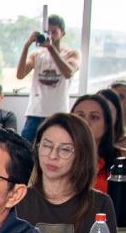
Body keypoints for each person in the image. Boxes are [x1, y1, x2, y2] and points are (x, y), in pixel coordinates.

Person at [15, 113, 117, 233]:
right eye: (47, 145)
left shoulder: (100, 203)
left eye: (65, 149)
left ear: (81, 155)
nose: (52, 155)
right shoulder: (17, 198)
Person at [72, 93, 126, 222]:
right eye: (79, 116)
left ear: (107, 124)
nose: (86, 122)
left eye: (94, 117)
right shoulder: (57, 156)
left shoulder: (125, 158)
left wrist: (107, 227)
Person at [16, 14, 81, 144]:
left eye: (54, 32)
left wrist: (50, 49)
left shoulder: (71, 54)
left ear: (62, 33)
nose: (50, 36)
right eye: (47, 32)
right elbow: (20, 74)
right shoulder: (37, 55)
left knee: (56, 148)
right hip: (35, 113)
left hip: (59, 113)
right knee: (25, 150)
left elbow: (68, 72)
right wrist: (27, 45)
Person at [95, 87, 126, 161]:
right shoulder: (81, 142)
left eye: (108, 112)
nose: (103, 117)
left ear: (117, 115)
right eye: (96, 114)